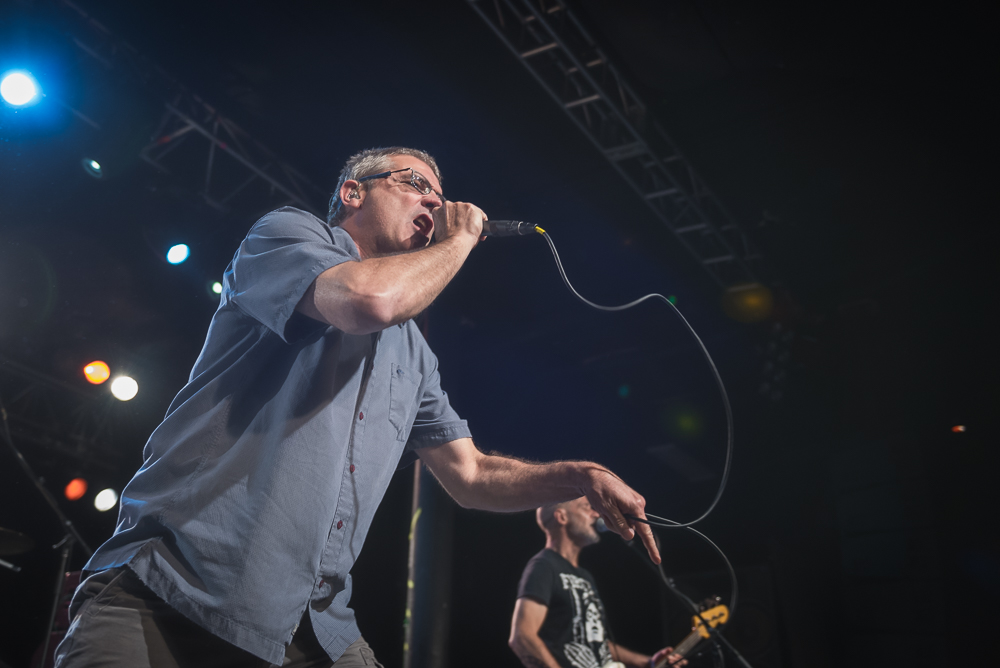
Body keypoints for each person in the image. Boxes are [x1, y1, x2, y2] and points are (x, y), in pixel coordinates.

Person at [54, 147, 661, 668]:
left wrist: (578, 475)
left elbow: (472, 476)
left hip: (310, 627)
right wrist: (465, 237)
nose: (433, 204)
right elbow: (367, 300)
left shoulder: (414, 354)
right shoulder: (287, 235)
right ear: (352, 192)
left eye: (439, 195)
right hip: (169, 597)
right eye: (415, 184)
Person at [510, 498, 685, 668]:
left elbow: (596, 641)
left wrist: (647, 662)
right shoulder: (544, 566)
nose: (595, 514)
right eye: (586, 507)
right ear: (562, 517)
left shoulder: (585, 575)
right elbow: (522, 637)